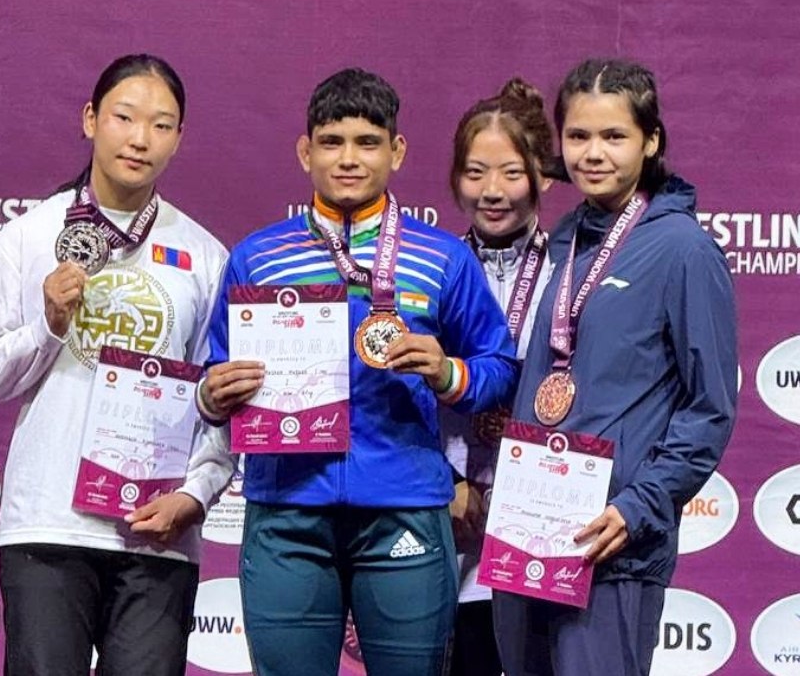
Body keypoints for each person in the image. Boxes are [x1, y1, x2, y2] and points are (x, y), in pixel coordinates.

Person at [196, 67, 519, 676]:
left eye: (368, 142)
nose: (348, 159)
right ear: (305, 152)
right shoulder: (257, 257)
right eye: (332, 142)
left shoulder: (442, 257)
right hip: (287, 511)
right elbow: (214, 376)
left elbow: (499, 368)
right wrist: (213, 395)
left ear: (397, 151)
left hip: (403, 507)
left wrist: (447, 372)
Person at [0, 54, 233, 676]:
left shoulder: (206, 255)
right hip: (49, 527)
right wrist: (48, 325)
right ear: (90, 120)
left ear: (179, 139)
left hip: (158, 532)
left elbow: (217, 401)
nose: (140, 139)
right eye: (124, 117)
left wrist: (195, 495)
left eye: (161, 125)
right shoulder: (28, 237)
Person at [491, 58, 737, 676]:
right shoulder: (565, 238)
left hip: (611, 545)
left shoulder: (683, 249)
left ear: (650, 141)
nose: (593, 153)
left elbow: (709, 408)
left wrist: (638, 506)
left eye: (614, 136)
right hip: (528, 536)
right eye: (578, 136)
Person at [442, 77, 559, 676]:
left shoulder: (574, 273)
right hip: (448, 515)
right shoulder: (431, 268)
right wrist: (446, 484)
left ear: (543, 175)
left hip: (543, 520)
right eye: (475, 172)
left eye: (511, 173)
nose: (491, 191)